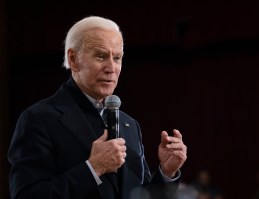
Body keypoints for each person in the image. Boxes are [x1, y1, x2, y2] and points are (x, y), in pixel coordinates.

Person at [8, 16, 187, 199]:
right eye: (101, 56)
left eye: (117, 58)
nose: (111, 68)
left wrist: (166, 172)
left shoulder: (129, 125)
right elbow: (25, 195)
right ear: (73, 59)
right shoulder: (39, 119)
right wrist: (93, 168)